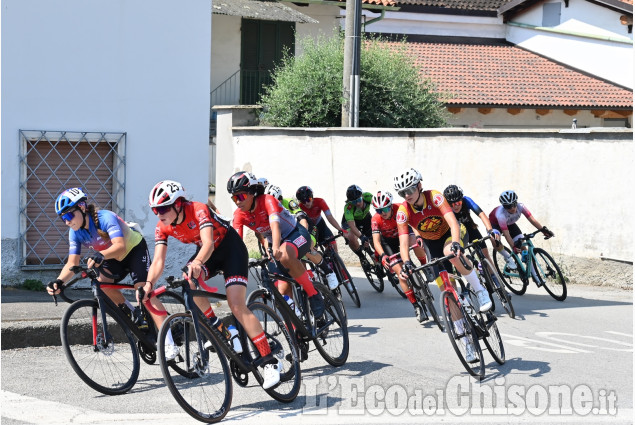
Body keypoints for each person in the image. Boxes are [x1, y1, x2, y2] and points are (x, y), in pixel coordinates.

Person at [145, 179, 281, 389]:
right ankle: (220, 329)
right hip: (210, 255)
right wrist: (148, 285)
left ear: (178, 204)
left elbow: (208, 242)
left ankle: (270, 361)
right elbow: (158, 261)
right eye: (155, 210)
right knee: (188, 281)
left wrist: (198, 261)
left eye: (162, 208)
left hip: (230, 250)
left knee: (236, 305)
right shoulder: (162, 227)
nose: (158, 213)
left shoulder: (197, 209)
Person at [394, 168, 491, 363]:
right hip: (432, 246)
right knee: (447, 292)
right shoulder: (403, 212)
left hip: (451, 234)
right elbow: (403, 242)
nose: (407, 195)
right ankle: (467, 341)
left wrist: (456, 243)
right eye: (402, 193)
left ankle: (480, 290)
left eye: (410, 190)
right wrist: (406, 262)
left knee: (451, 254)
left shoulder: (435, 197)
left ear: (419, 186)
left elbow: (453, 222)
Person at [47, 187, 158, 333]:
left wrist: (101, 255)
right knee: (103, 286)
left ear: (82, 207)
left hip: (133, 250)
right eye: (63, 219)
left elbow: (120, 246)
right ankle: (134, 313)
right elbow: (72, 263)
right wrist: (59, 281)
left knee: (143, 292)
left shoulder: (105, 218)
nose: (67, 222)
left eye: (68, 217)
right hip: (111, 256)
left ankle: (168, 338)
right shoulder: (74, 233)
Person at [228, 172, 326, 319]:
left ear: (252, 192)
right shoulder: (239, 215)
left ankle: (313, 294)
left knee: (285, 254)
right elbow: (236, 242)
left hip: (296, 234)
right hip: (277, 243)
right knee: (281, 289)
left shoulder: (267, 200)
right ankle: (296, 330)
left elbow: (275, 226)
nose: (237, 201)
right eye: (234, 197)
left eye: (240, 196)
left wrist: (274, 247)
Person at [265, 184, 339, 290]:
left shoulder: (289, 202)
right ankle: (311, 281)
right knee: (296, 261)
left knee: (306, 249)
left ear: (280, 199)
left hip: (307, 228)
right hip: (288, 235)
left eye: (276, 202)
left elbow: (303, 220)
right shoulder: (268, 211)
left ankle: (328, 271)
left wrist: (302, 238)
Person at [370, 190, 429, 322]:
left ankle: (425, 267)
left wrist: (418, 236)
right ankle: (416, 306)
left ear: (391, 205)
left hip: (404, 233)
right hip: (389, 243)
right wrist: (384, 256)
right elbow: (376, 241)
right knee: (400, 273)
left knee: (416, 244)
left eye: (385, 208)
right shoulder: (375, 219)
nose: (383, 213)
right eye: (379, 210)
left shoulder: (400, 208)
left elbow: (413, 223)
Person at [443, 185, 502, 285]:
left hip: (470, 228)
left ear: (462, 199)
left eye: (458, 202)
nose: (455, 206)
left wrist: (490, 230)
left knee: (485, 254)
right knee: (458, 255)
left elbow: (481, 215)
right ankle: (468, 284)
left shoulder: (467, 200)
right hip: (457, 234)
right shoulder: (444, 207)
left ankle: (496, 279)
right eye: (452, 204)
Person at [489, 190, 554, 271]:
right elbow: (506, 234)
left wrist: (543, 230)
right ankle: (507, 257)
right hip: (495, 224)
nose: (512, 208)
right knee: (495, 239)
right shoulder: (501, 215)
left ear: (516, 202)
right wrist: (513, 247)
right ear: (504, 206)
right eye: (508, 206)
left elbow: (532, 220)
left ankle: (535, 276)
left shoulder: (521, 207)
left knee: (523, 247)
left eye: (513, 204)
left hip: (509, 224)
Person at [295, 185, 346, 253]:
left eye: (308, 199)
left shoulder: (320, 201)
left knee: (333, 246)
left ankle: (334, 262)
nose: (306, 203)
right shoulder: (299, 207)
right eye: (303, 201)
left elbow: (329, 217)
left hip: (321, 225)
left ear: (312, 197)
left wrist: (340, 229)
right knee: (313, 251)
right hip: (311, 229)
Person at [341, 185, 376, 264]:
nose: (357, 203)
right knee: (351, 237)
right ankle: (361, 256)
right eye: (353, 202)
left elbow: (378, 206)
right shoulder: (348, 207)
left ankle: (374, 255)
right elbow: (352, 225)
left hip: (365, 218)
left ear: (362, 196)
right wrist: (361, 237)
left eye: (359, 200)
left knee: (374, 241)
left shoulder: (367, 196)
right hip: (351, 222)